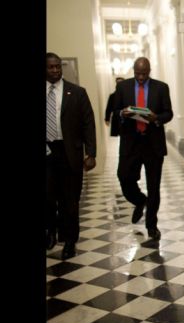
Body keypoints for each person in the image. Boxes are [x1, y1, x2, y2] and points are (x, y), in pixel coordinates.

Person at [113, 57, 173, 241]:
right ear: (133, 70)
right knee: (124, 177)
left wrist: (156, 118)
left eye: (144, 74)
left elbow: (168, 113)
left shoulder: (161, 87)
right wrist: (123, 113)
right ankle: (139, 200)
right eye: (137, 73)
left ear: (149, 70)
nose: (140, 77)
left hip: (152, 143)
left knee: (154, 186)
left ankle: (152, 225)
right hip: (131, 143)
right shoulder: (123, 87)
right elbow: (114, 111)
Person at [46, 52, 97, 259]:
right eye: (51, 67)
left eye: (58, 66)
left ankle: (69, 240)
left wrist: (91, 153)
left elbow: (88, 124)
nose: (56, 70)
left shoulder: (77, 93)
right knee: (48, 198)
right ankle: (51, 230)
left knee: (70, 200)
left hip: (69, 154)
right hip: (46, 153)